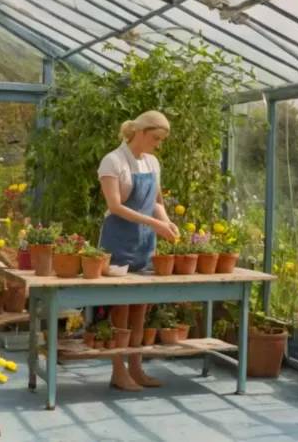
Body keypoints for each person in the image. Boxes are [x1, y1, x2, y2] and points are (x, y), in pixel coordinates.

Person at [97, 110, 179, 391]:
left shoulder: (153, 164)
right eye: (155, 138)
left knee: (140, 308)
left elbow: (156, 201)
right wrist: (156, 223)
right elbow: (117, 206)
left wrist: (166, 222)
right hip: (118, 241)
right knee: (121, 309)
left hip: (145, 242)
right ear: (141, 133)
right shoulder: (113, 161)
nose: (158, 145)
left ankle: (136, 367)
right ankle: (118, 371)